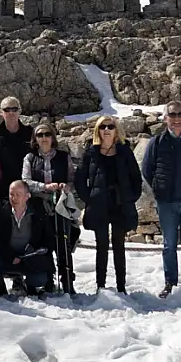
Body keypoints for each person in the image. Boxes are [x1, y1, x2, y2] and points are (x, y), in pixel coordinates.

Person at [142, 101, 181, 298]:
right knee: (169, 245)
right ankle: (170, 281)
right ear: (165, 118)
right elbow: (147, 169)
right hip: (167, 202)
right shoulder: (157, 142)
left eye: (180, 114)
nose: (176, 118)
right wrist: (159, 188)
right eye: (172, 114)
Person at [74, 117, 142, 294]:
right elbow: (80, 178)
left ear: (115, 130)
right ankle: (101, 286)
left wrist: (132, 197)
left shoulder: (124, 150)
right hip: (99, 204)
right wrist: (88, 198)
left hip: (120, 204)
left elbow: (136, 176)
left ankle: (121, 286)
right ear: (97, 130)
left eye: (110, 126)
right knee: (101, 245)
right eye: (102, 126)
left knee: (119, 245)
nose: (106, 129)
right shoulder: (91, 152)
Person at [22, 123, 77, 292]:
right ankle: (47, 279)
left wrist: (65, 186)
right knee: (41, 241)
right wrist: (44, 187)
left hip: (60, 204)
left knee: (63, 241)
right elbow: (25, 181)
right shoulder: (30, 158)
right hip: (37, 205)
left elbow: (72, 180)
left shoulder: (63, 156)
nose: (44, 138)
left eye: (47, 134)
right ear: (35, 139)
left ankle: (67, 280)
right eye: (40, 135)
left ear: (53, 137)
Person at [0, 180, 54, 297]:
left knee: (40, 278)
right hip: (6, 256)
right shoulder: (0, 212)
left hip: (29, 258)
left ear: (27, 196)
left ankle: (30, 286)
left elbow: (48, 239)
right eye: (11, 194)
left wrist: (34, 251)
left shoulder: (38, 214)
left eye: (18, 195)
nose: (14, 198)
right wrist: (9, 255)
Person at [0, 96, 33, 206]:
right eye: (7, 110)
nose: (11, 113)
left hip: (29, 190)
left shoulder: (31, 133)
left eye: (14, 109)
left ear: (20, 111)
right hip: (3, 192)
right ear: (1, 112)